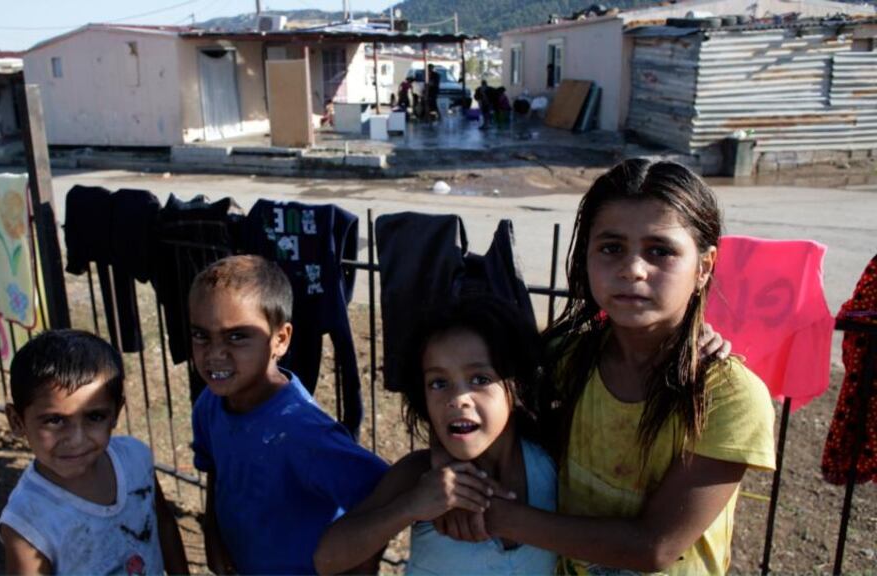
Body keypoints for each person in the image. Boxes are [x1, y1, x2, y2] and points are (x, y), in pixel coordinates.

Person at [444, 159, 777, 574]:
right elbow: (464, 406)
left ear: (704, 267)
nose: (633, 269)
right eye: (611, 248)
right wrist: (450, 473)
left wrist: (491, 514)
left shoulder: (727, 396)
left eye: (660, 251)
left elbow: (653, 547)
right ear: (586, 257)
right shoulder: (565, 358)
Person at [314, 297, 558, 575]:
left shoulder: (554, 466)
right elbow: (328, 558)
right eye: (439, 383)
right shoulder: (418, 475)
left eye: (480, 379)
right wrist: (411, 506)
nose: (458, 399)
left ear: (517, 386)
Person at [189, 255, 389, 575]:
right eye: (201, 335)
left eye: (237, 336)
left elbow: (382, 496)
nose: (214, 354)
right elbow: (214, 468)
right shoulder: (210, 404)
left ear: (280, 340)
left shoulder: (304, 432)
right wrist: (212, 534)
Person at [0, 330, 188, 575]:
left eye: (95, 417)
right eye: (55, 420)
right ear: (17, 421)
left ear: (116, 413)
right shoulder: (27, 519)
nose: (76, 439)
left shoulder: (135, 460)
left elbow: (163, 526)